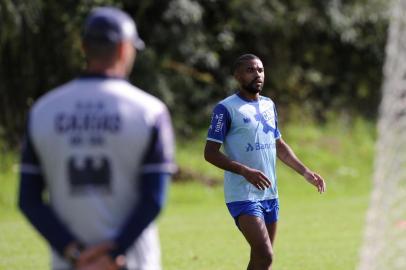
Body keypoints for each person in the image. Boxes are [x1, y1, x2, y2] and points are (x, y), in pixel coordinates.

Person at [18, 6, 175, 270]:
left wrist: (77, 254)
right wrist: (113, 254)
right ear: (125, 49)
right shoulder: (150, 111)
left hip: (70, 263)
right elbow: (153, 198)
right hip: (134, 261)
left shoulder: (42, 110)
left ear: (84, 47)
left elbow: (29, 200)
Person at [204, 53, 326, 270]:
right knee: (266, 254)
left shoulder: (269, 105)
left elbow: (279, 145)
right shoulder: (225, 109)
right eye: (250, 70)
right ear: (237, 76)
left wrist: (306, 172)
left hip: (270, 194)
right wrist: (244, 171)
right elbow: (210, 153)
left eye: (260, 70)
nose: (257, 74)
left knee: (262, 261)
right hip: (242, 194)